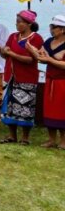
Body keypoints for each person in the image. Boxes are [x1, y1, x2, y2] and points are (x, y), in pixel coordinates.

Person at [0, 10, 43, 145]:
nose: (17, 24)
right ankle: (12, 135)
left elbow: (31, 59)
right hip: (10, 76)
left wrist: (11, 53)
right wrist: (3, 51)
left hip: (27, 78)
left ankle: (25, 137)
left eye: (19, 22)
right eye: (17, 22)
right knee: (10, 106)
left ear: (28, 24)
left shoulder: (36, 38)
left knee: (26, 107)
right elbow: (4, 53)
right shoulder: (13, 36)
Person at [37, 15, 65, 149]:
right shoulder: (49, 41)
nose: (51, 29)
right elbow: (40, 56)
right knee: (49, 110)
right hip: (50, 80)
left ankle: (63, 140)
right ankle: (51, 139)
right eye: (51, 27)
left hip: (62, 81)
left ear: (62, 29)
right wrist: (34, 52)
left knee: (62, 110)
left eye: (54, 27)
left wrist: (49, 59)